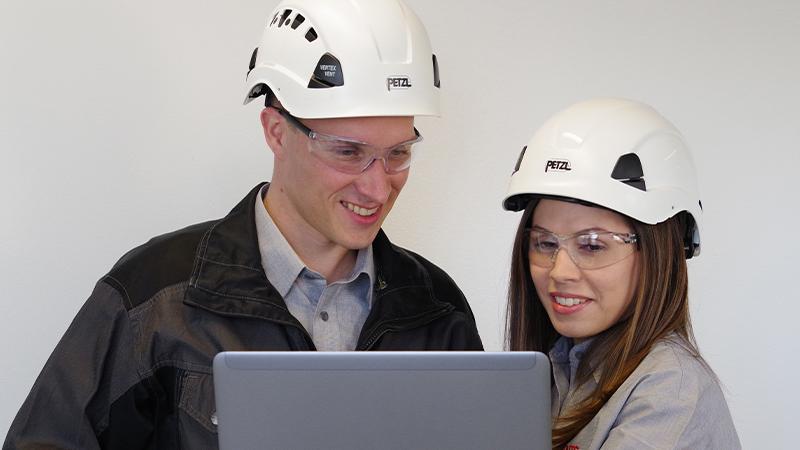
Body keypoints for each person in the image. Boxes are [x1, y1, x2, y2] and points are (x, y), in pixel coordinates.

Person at [4, 0, 482, 448]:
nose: (378, 189)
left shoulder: (438, 310)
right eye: (348, 152)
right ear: (276, 131)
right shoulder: (154, 298)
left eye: (398, 153)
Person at [503, 98, 740, 449]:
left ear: (661, 252)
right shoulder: (560, 369)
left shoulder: (671, 392)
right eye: (545, 243)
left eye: (593, 245)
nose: (560, 271)